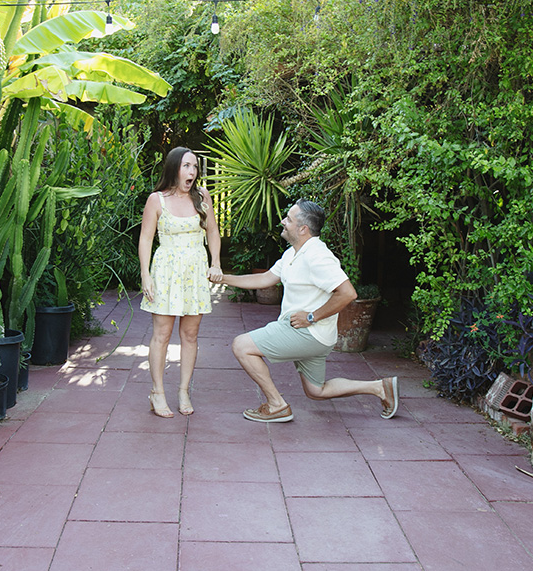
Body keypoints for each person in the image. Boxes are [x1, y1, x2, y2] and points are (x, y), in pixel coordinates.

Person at [211, 199, 398, 422]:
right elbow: (265, 278)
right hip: (315, 336)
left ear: (303, 228)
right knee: (316, 391)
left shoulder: (317, 256)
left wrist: (312, 317)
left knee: (242, 346)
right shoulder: (294, 253)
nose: (283, 221)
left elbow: (348, 293)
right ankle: (380, 388)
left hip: (307, 332)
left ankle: (276, 405)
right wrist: (223, 278)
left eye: (288, 219)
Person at [139, 147, 222, 417]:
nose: (192, 172)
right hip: (165, 271)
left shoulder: (201, 197)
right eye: (187, 166)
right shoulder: (156, 200)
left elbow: (212, 232)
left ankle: (184, 391)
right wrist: (145, 275)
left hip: (195, 272)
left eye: (195, 167)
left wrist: (216, 263)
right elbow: (146, 239)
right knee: (162, 335)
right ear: (175, 168)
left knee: (190, 335)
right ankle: (157, 392)